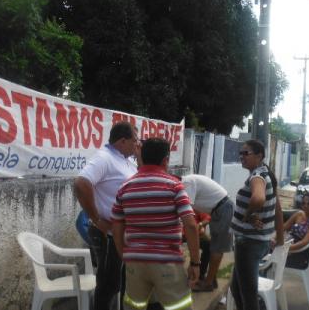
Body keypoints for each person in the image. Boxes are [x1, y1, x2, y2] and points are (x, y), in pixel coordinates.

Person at [112, 138, 201, 310]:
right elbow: (190, 225)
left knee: (134, 305)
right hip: (167, 263)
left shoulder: (125, 187)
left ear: (142, 157)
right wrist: (195, 263)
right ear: (165, 160)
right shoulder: (174, 186)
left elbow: (117, 225)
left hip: (135, 261)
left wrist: (124, 254)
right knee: (178, 306)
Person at [73, 121, 140, 310]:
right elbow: (81, 183)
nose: (137, 144)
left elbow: (143, 178)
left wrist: (140, 156)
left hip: (122, 233)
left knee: (117, 282)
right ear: (122, 141)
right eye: (134, 140)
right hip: (108, 234)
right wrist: (96, 218)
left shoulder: (126, 159)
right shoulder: (104, 158)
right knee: (108, 285)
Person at [230, 139, 284, 310]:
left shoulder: (257, 176)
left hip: (249, 242)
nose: (241, 156)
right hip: (257, 241)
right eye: (240, 153)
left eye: (246, 153)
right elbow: (277, 208)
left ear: (259, 156)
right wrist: (280, 237)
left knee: (248, 294)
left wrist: (247, 215)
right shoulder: (266, 175)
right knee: (237, 288)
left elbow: (258, 198)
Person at [181, 174, 234, 292]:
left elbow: (186, 213)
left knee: (216, 248)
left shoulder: (187, 184)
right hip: (218, 210)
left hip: (223, 209)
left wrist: (194, 263)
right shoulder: (188, 183)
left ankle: (208, 283)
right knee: (214, 246)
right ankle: (211, 279)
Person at [282, 192, 309, 269]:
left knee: (265, 254)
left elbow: (304, 242)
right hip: (288, 246)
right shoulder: (299, 214)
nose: (306, 206)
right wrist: (274, 239)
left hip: (299, 254)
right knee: (264, 250)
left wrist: (284, 248)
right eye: (303, 203)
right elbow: (283, 228)